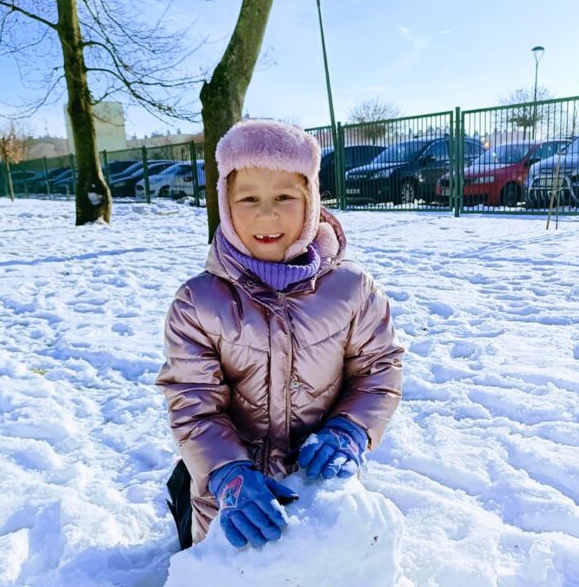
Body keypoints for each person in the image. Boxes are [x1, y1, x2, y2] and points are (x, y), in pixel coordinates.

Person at [157, 119, 405, 549]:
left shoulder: (351, 289)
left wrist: (350, 429)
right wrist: (225, 473)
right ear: (225, 204)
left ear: (311, 201)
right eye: (248, 198)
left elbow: (378, 371)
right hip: (229, 500)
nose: (267, 213)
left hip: (319, 486)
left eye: (285, 197)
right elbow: (193, 403)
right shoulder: (198, 303)